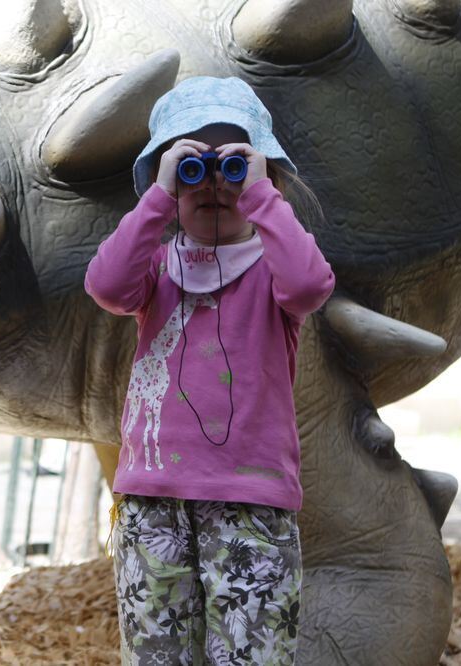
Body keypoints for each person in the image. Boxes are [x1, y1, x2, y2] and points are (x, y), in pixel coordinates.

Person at [84, 76, 335, 665]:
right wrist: (157, 197)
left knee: (251, 655)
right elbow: (105, 285)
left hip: (252, 501)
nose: (214, 183)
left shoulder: (275, 268)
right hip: (152, 498)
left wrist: (262, 198)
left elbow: (311, 284)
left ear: (263, 178)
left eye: (234, 166)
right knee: (156, 656)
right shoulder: (157, 268)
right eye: (193, 168)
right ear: (169, 184)